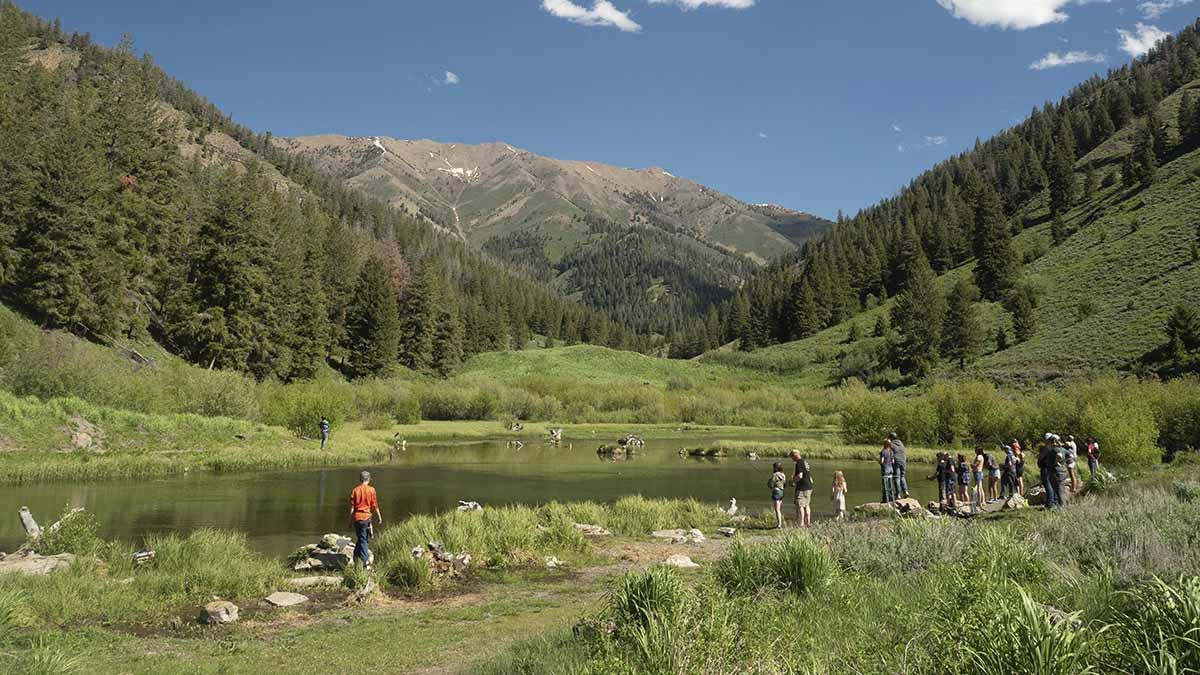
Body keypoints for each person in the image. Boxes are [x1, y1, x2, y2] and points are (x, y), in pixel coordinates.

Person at [349, 470, 382, 567]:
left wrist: (350, 520)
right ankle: (365, 562)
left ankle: (356, 557)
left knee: (361, 538)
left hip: (357, 518)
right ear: (369, 479)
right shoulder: (371, 490)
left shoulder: (355, 490)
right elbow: (375, 505)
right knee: (364, 540)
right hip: (366, 518)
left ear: (360, 479)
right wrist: (379, 517)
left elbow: (352, 508)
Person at [791, 450, 813, 528]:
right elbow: (809, 476)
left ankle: (801, 523)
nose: (791, 458)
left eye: (792, 456)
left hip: (802, 487)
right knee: (807, 505)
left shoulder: (799, 463)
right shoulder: (806, 462)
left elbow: (800, 475)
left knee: (800, 505)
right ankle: (808, 523)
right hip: (809, 486)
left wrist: (793, 481)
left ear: (795, 455)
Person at [1037, 434, 1058, 510]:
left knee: (1048, 486)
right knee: (1053, 485)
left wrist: (1039, 454)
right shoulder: (1055, 447)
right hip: (1052, 468)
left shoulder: (1047, 448)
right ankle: (1054, 502)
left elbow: (1040, 457)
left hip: (1045, 469)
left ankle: (1050, 503)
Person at [889, 432, 911, 498]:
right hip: (903, 461)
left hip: (896, 461)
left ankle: (898, 494)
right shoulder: (901, 443)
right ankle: (906, 491)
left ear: (891, 437)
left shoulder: (891, 444)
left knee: (897, 477)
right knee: (902, 476)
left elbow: (891, 454)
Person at [768, 462, 788, 529]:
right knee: (779, 509)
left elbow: (771, 484)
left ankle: (779, 525)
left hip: (776, 492)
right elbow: (785, 484)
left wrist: (770, 484)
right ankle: (780, 523)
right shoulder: (783, 475)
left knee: (777, 510)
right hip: (781, 492)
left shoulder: (775, 475)